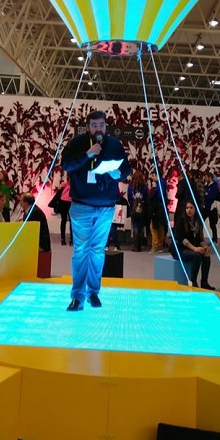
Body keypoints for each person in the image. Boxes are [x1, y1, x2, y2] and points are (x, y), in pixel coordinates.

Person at [61, 110, 131, 311]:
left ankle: (94, 293)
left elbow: (126, 168)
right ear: (87, 127)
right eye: (94, 125)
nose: (98, 128)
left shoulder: (115, 145)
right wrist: (87, 155)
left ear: (105, 126)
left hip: (106, 207)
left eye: (101, 125)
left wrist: (120, 174)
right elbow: (66, 164)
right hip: (81, 205)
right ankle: (77, 297)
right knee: (81, 251)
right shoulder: (77, 143)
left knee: (98, 250)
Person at [170, 200, 214, 289]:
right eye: (187, 208)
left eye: (191, 208)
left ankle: (204, 282)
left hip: (191, 247)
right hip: (180, 249)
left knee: (206, 254)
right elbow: (182, 239)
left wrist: (205, 246)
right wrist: (194, 248)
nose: (189, 210)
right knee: (197, 255)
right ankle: (193, 281)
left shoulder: (198, 222)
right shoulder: (181, 220)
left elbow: (199, 239)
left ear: (195, 209)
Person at [127, 170, 148, 252]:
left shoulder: (130, 186)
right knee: (141, 227)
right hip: (142, 209)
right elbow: (146, 197)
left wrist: (133, 204)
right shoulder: (144, 187)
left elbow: (129, 197)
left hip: (133, 208)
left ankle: (135, 246)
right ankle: (140, 245)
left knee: (135, 226)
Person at [148, 172, 168, 254]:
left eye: (153, 176)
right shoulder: (162, 182)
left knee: (154, 227)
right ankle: (160, 244)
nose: (152, 177)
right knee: (160, 226)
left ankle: (155, 245)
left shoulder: (159, 183)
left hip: (158, 208)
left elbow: (160, 196)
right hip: (161, 208)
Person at [49, 181, 72, 245]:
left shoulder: (64, 185)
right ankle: (71, 239)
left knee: (63, 220)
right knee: (71, 221)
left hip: (63, 203)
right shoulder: (75, 185)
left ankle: (63, 239)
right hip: (70, 203)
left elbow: (59, 194)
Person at [203, 171, 220, 244]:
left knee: (212, 224)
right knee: (201, 221)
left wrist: (206, 195)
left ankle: (215, 240)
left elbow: (211, 196)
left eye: (206, 177)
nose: (205, 179)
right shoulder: (206, 186)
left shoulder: (215, 186)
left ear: (210, 177)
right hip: (206, 207)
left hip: (212, 208)